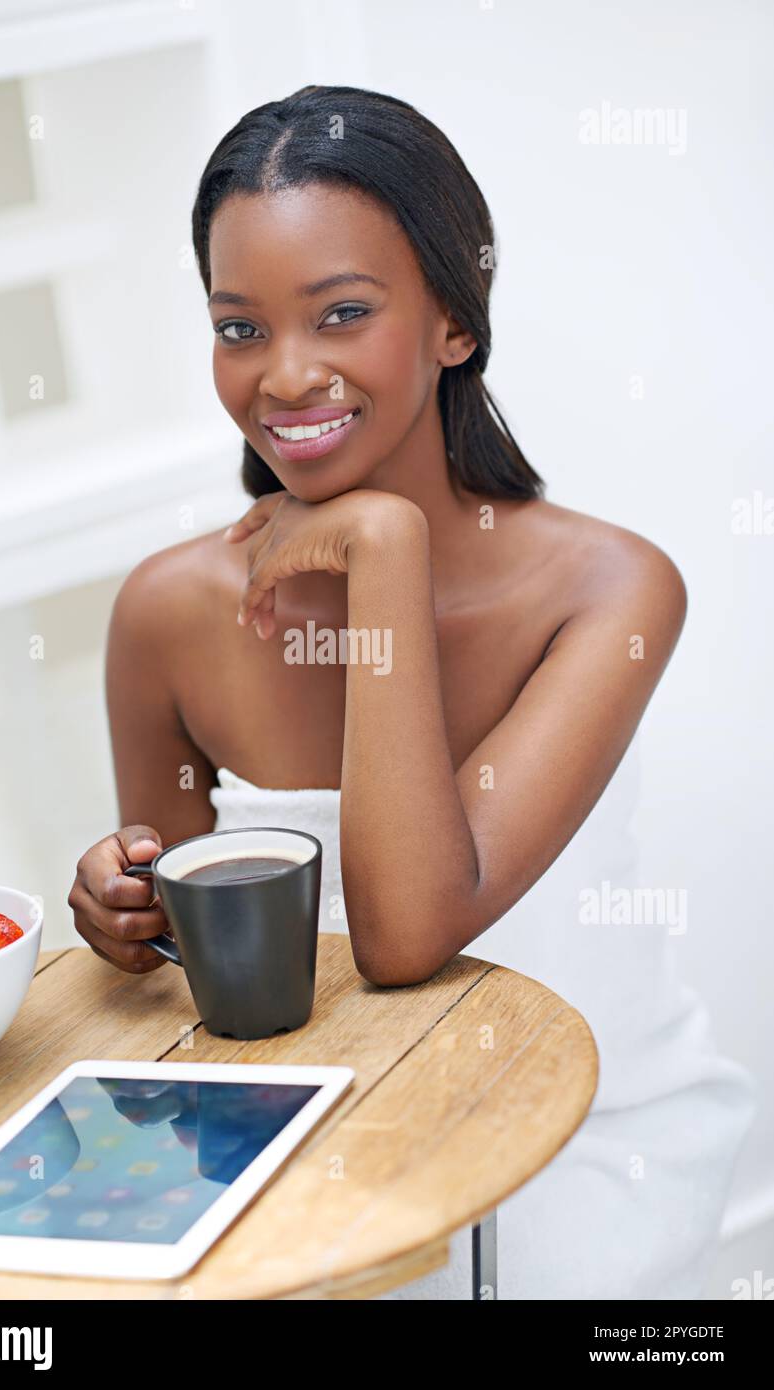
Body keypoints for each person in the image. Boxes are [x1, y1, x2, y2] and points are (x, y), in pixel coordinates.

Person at [68, 85, 755, 1298]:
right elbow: (191, 983)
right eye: (239, 328)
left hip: (587, 1147)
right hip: (330, 1149)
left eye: (342, 313)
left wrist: (384, 551)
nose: (285, 375)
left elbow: (407, 931)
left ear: (454, 320)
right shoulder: (168, 615)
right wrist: (128, 912)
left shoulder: (611, 590)